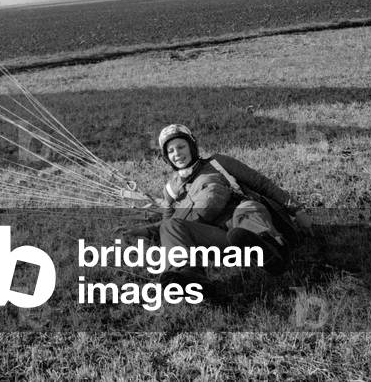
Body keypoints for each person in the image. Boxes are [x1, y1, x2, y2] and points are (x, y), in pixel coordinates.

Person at [128, 123, 313, 287]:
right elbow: (167, 226)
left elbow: (262, 184)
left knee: (247, 209)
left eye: (181, 147)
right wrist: (142, 231)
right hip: (218, 239)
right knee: (171, 225)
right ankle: (188, 275)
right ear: (166, 158)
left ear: (191, 146)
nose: (177, 154)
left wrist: (296, 208)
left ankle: (272, 250)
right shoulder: (171, 191)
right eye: (171, 151)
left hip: (242, 221)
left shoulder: (218, 163)